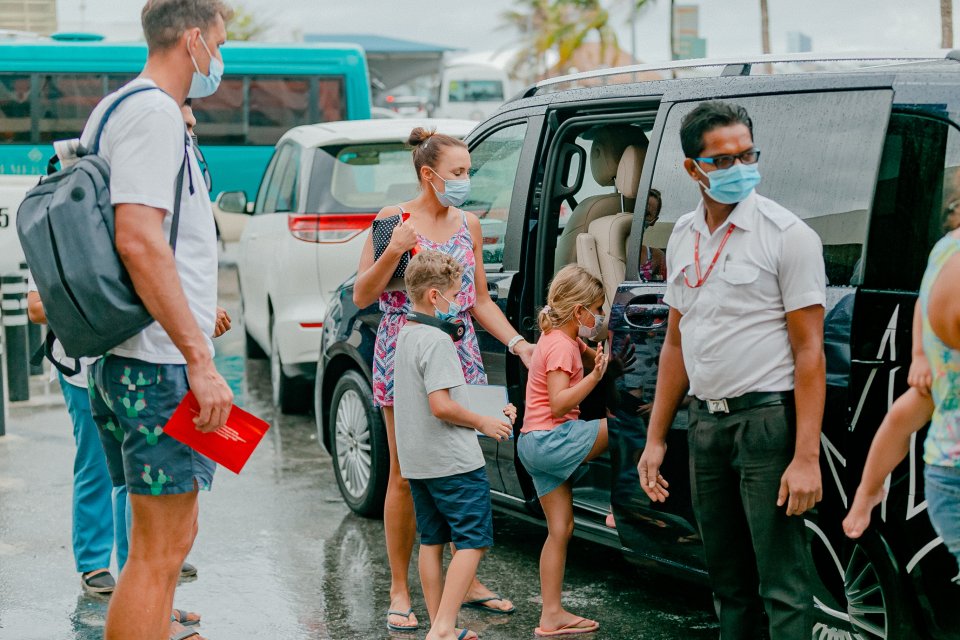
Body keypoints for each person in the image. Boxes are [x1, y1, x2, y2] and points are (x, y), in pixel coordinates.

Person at [637, 100, 826, 638]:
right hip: (706, 426)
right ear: (692, 169)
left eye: (747, 155)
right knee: (727, 583)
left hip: (765, 423)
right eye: (722, 160)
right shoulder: (682, 235)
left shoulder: (786, 234)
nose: (739, 168)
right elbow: (676, 341)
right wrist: (657, 439)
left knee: (783, 585)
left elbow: (809, 352)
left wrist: (805, 457)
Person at [82, 2, 235, 639]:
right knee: (156, 552)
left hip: (147, 358)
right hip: (160, 364)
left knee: (177, 537)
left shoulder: (122, 108)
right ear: (194, 40)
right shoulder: (151, 113)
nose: (220, 63)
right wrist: (199, 359)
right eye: (221, 44)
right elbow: (138, 239)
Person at [354, 127, 534, 631]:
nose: (465, 180)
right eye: (458, 173)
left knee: (463, 462)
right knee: (405, 473)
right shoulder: (393, 220)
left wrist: (520, 344)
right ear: (428, 175)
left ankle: (465, 579)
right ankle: (398, 588)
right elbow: (362, 296)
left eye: (468, 171)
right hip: (403, 350)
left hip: (460, 351)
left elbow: (478, 301)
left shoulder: (468, 224)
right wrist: (394, 251)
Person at [394, 250, 516, 640]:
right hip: (453, 462)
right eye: (454, 294)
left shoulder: (407, 334)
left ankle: (438, 624)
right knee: (473, 542)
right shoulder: (437, 341)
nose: (459, 302)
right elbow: (441, 405)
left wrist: (492, 411)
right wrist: (484, 421)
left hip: (419, 460)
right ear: (434, 296)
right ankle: (445, 627)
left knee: (432, 541)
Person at [517, 264, 618, 637]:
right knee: (622, 428)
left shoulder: (560, 336)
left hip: (532, 443)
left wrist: (600, 360)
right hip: (550, 439)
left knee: (560, 528)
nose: (599, 316)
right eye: (596, 308)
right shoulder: (560, 345)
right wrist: (594, 378)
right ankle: (621, 509)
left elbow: (592, 358)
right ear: (579, 312)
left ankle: (551, 615)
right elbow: (559, 404)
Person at [638, 188, 666, 282]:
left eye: (647, 214)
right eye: (638, 209)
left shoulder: (657, 257)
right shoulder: (609, 252)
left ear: (653, 221)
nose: (640, 217)